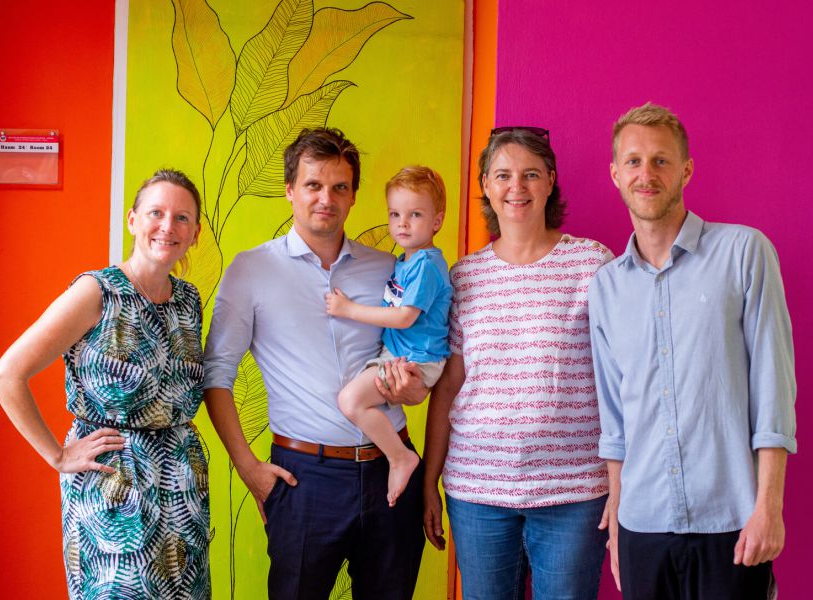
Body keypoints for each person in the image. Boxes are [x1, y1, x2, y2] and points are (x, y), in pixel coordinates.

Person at [203, 128, 429, 599]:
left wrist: (415, 389)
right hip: (304, 480)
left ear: (353, 196)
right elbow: (216, 375)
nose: (326, 198)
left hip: (391, 467)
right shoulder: (250, 270)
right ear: (290, 190)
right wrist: (248, 467)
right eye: (313, 185)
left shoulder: (387, 269)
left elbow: (413, 354)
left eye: (339, 187)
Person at [588, 102, 797, 599]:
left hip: (732, 521)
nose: (646, 174)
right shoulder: (605, 286)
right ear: (615, 174)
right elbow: (614, 418)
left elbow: (773, 389)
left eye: (661, 160)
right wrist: (617, 521)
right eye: (634, 161)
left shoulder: (744, 252)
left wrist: (769, 507)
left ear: (686, 170)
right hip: (641, 524)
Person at [0, 169, 210, 599]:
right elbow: (5, 375)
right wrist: (57, 455)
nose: (167, 226)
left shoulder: (188, 300)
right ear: (132, 220)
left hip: (182, 490)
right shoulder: (96, 292)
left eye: (182, 218)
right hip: (112, 491)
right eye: (156, 213)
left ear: (195, 233)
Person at [422, 126, 612, 600]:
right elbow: (449, 386)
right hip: (477, 491)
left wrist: (621, 480)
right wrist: (430, 481)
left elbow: (619, 380)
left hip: (573, 492)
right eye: (503, 175)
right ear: (486, 185)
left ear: (550, 181)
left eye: (530, 174)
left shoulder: (591, 264)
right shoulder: (464, 276)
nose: (517, 187)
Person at [325, 165, 452, 507]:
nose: (402, 224)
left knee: (350, 401)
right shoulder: (404, 261)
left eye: (415, 215)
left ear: (437, 221)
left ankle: (400, 457)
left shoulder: (426, 265)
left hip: (416, 360)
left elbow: (404, 317)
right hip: (400, 355)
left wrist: (348, 309)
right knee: (353, 399)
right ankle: (397, 455)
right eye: (395, 214)